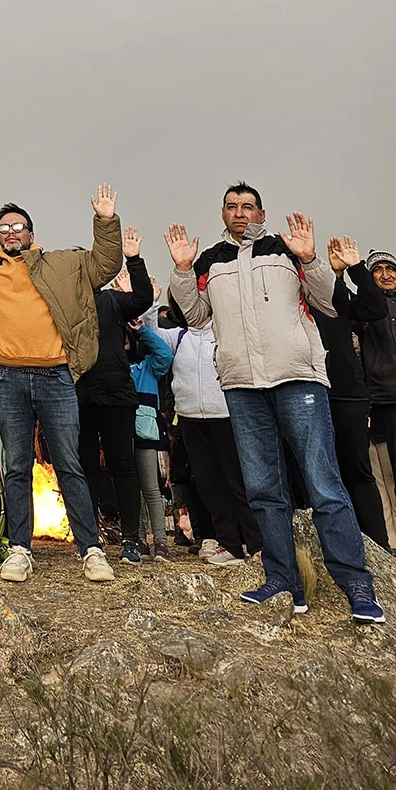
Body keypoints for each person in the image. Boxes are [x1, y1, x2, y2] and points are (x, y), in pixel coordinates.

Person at [165, 182, 384, 623]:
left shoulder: (285, 250)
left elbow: (327, 301)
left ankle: (357, 584)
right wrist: (184, 271)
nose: (239, 213)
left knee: (324, 483)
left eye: (248, 206)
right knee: (264, 489)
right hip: (243, 386)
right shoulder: (211, 260)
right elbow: (194, 315)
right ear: (223, 214)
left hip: (297, 378)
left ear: (261, 212)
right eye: (231, 207)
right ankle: (283, 579)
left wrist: (309, 258)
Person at [0, 186, 123, 583]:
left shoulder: (62, 263)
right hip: (7, 376)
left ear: (31, 232)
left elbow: (104, 266)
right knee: (16, 466)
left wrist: (105, 221)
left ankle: (92, 550)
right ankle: (19, 549)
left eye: (18, 227)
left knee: (69, 464)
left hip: (55, 376)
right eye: (4, 228)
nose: (11, 233)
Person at [146, 297, 262, 565]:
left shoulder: (225, 332)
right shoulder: (180, 335)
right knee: (208, 484)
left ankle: (256, 545)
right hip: (189, 419)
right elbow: (152, 333)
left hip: (225, 416)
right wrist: (151, 304)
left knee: (237, 483)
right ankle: (230, 544)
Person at [76, 227, 154, 564]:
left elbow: (142, 300)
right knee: (87, 467)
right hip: (78, 397)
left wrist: (133, 259)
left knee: (124, 466)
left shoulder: (109, 299)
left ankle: (132, 540)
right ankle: (93, 535)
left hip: (117, 394)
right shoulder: (61, 308)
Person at [308, 238, 391, 549]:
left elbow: (375, 307)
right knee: (320, 476)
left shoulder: (338, 296)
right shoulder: (293, 298)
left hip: (347, 395)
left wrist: (354, 268)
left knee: (358, 472)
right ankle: (337, 546)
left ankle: (378, 548)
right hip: (306, 395)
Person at [126, 317, 174, 560]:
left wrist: (142, 330)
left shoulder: (149, 368)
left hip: (145, 432)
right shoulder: (116, 368)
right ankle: (139, 541)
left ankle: (161, 542)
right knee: (131, 490)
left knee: (151, 489)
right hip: (122, 433)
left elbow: (165, 354)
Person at [359, 249, 396, 493]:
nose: (385, 275)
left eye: (390, 268)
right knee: (389, 472)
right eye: (377, 270)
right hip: (384, 399)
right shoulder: (363, 309)